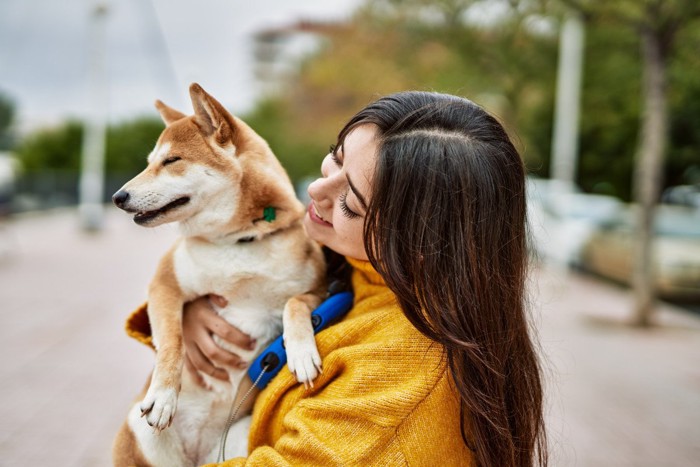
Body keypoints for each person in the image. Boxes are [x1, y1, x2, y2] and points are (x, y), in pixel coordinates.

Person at [126, 91, 548, 466]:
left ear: (419, 239)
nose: (317, 190)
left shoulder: (402, 383)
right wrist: (191, 315)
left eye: (350, 201)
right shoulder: (356, 263)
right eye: (337, 157)